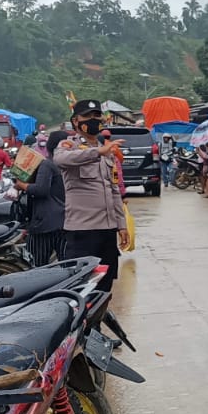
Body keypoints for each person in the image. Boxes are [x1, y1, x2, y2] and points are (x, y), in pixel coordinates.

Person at [54, 99, 128, 292]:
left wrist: (121, 225)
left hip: (108, 230)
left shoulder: (108, 150)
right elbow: (60, 159)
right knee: (80, 288)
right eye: (88, 116)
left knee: (105, 287)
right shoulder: (69, 145)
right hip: (82, 232)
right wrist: (97, 152)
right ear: (76, 121)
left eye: (97, 115)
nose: (94, 120)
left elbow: (113, 191)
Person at [19, 130, 69, 265]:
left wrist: (22, 185)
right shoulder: (72, 165)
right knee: (68, 265)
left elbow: (41, 189)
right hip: (67, 221)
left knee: (37, 265)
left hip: (45, 223)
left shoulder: (48, 164)